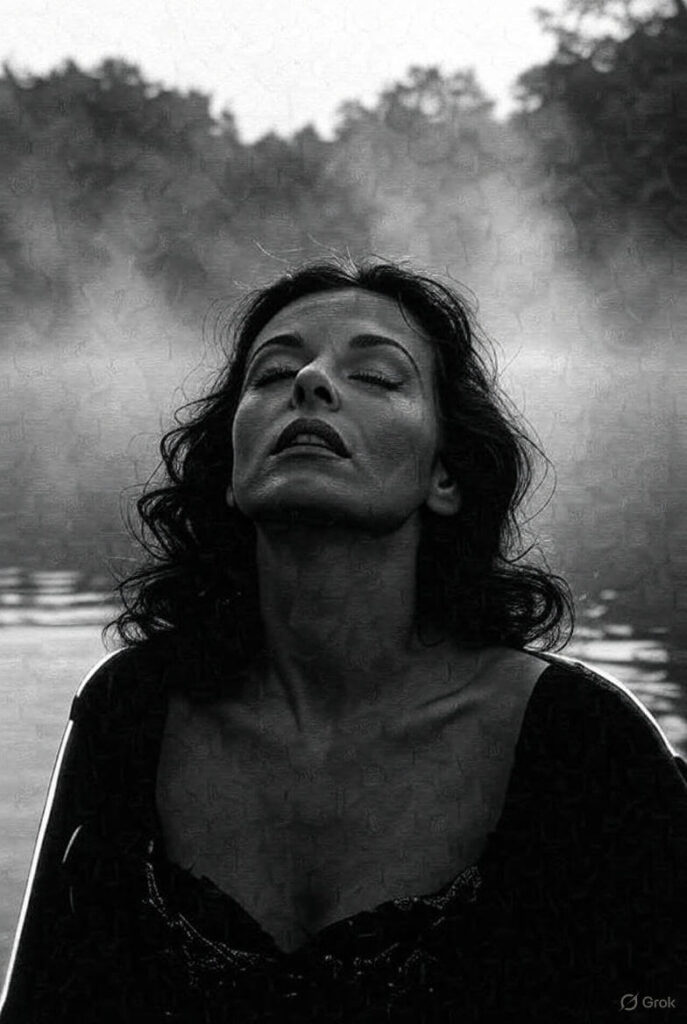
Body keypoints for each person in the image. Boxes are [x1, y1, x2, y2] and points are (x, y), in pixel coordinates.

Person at [2, 258, 686, 1023]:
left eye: (376, 376)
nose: (309, 382)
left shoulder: (583, 740)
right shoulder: (132, 707)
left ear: (444, 476)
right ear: (230, 471)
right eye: (272, 373)